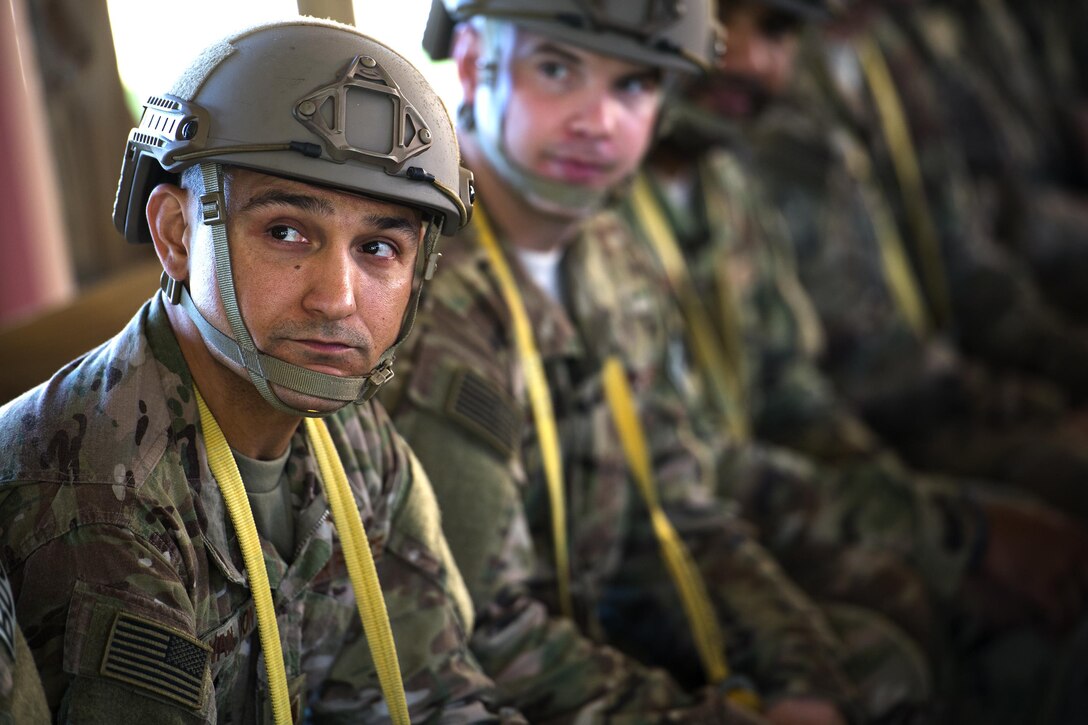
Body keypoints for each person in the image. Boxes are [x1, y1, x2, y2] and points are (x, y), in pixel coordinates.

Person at [382, 1, 929, 723]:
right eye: (557, 69)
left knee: (873, 665)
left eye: (634, 85)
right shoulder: (411, 287)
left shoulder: (612, 261)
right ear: (479, 62)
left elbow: (676, 516)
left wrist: (803, 675)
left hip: (590, 639)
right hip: (475, 689)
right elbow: (473, 630)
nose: (598, 120)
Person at [0, 17, 522, 723]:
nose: (336, 298)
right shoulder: (89, 487)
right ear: (177, 234)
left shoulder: (354, 439)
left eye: (378, 248)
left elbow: (436, 696)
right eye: (286, 232)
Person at [639, 0, 1088, 722]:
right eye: (720, 20)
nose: (748, 58)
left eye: (778, 31)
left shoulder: (724, 184)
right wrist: (950, 534)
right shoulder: (598, 216)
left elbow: (802, 404)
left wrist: (931, 521)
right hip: (681, 548)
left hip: (778, 502)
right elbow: (696, 476)